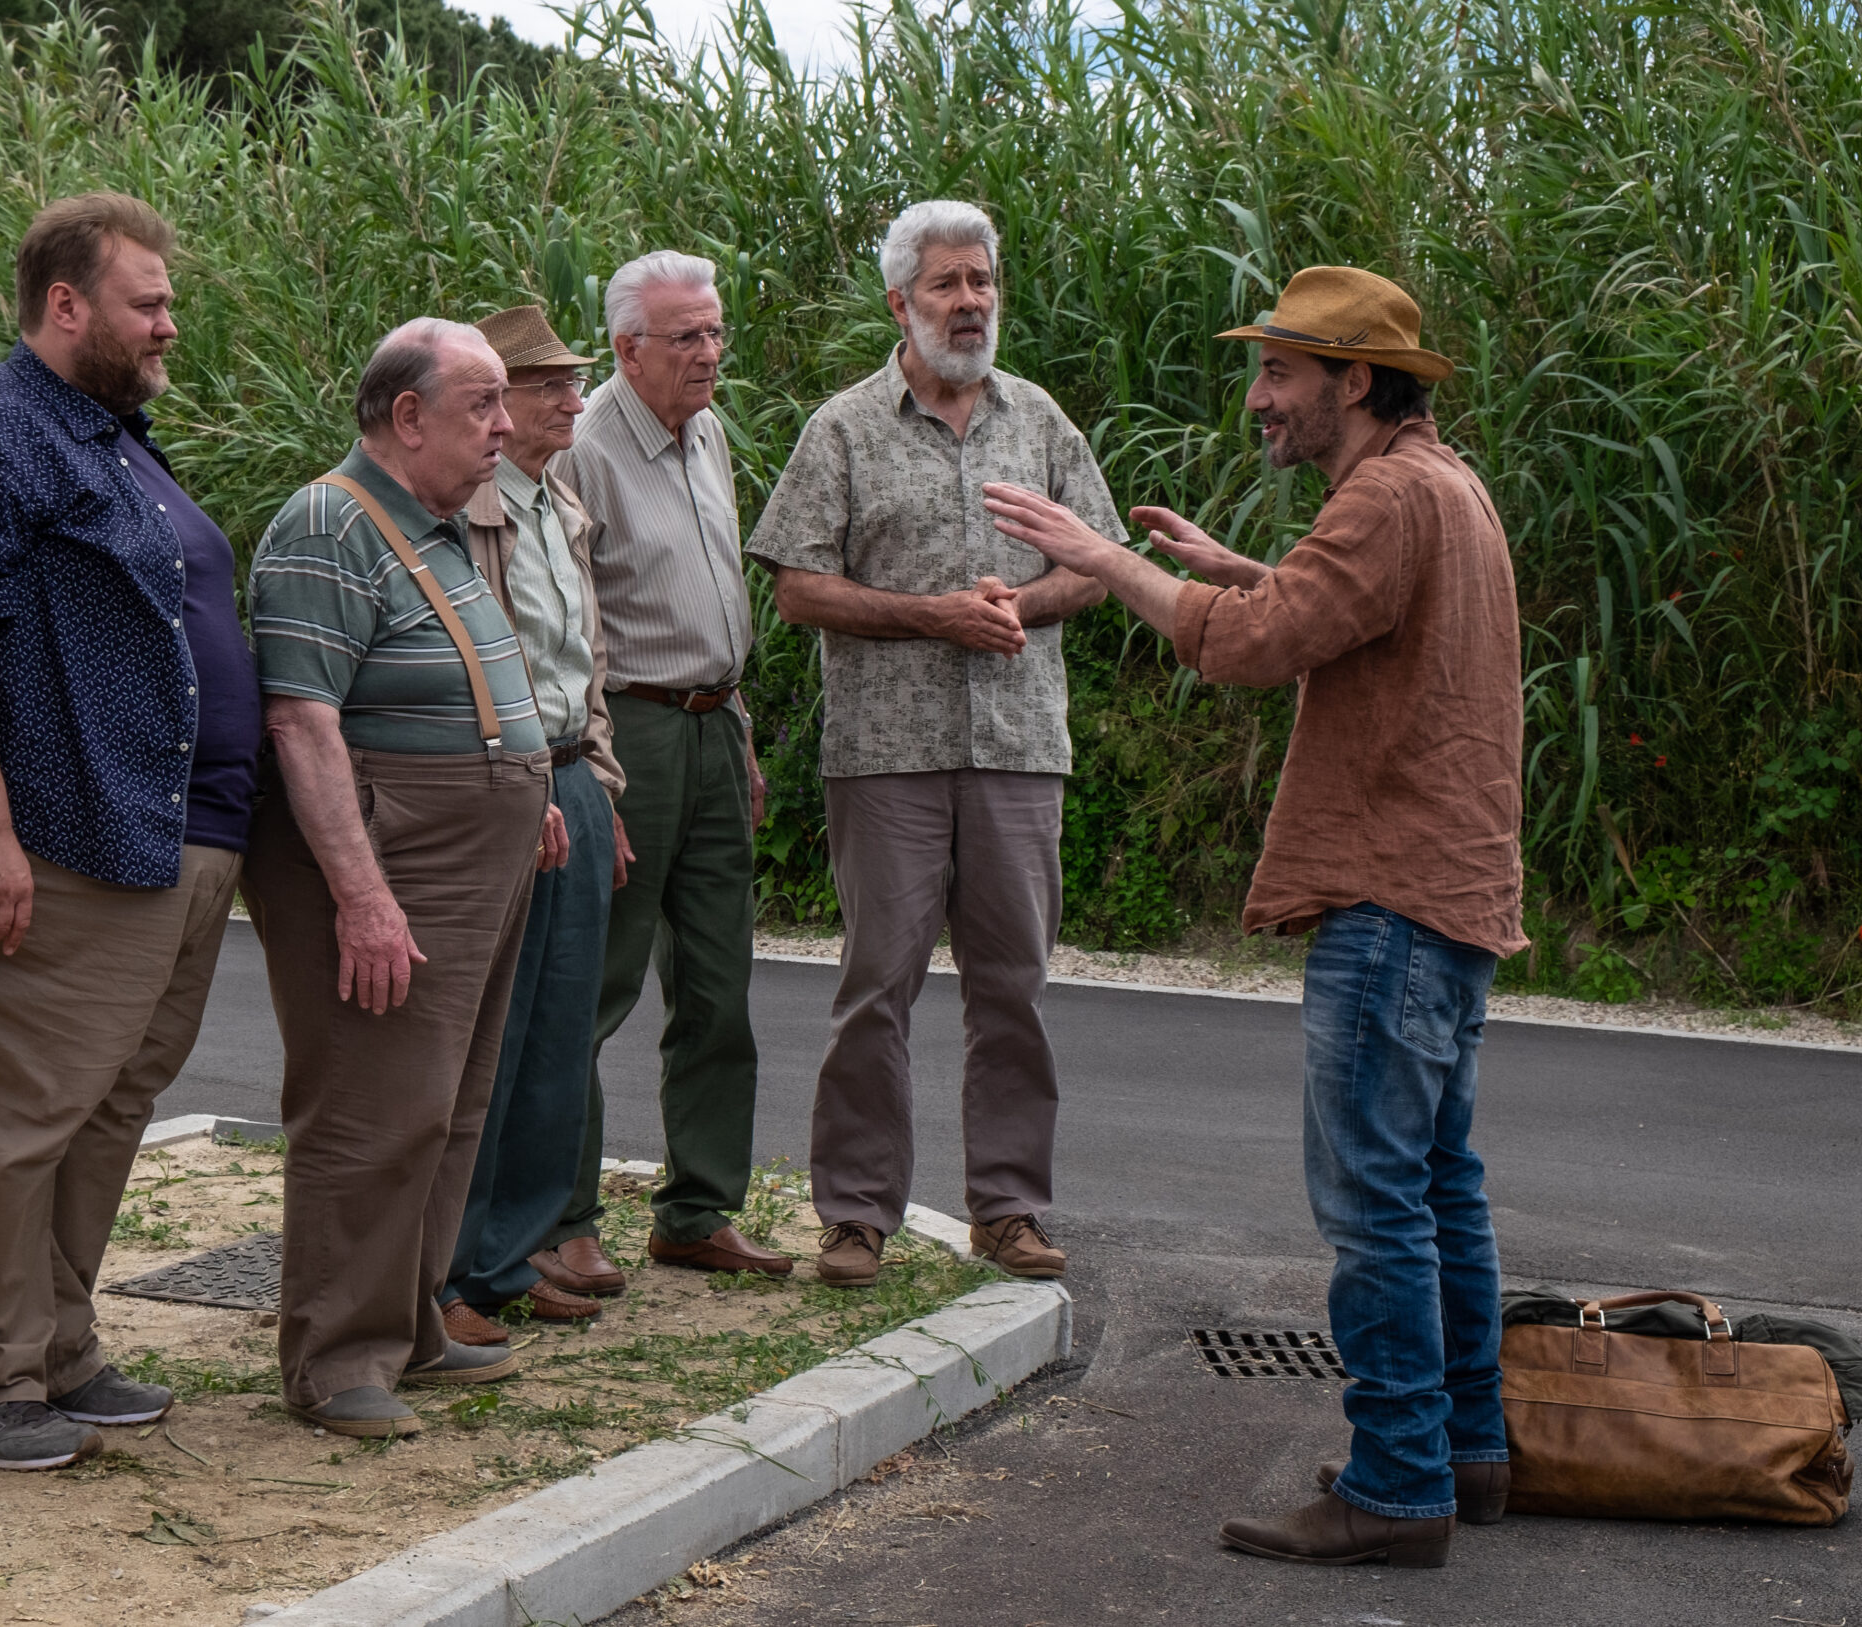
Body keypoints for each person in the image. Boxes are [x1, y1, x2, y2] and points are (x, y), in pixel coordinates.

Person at [982, 265, 1524, 1569]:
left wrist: (1107, 561)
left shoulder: (1389, 495)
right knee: (1438, 1184)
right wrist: (1239, 568)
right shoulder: (1442, 484)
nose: (1257, 397)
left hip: (1390, 899)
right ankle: (1467, 1451)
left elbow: (1249, 645)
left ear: (1352, 380)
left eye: (1280, 373)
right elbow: (1333, 615)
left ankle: (1397, 1485)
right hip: (1450, 897)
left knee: (1375, 1204)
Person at [0, 193, 260, 1471]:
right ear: (66, 305)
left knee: (101, 1108)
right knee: (10, 1109)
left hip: (152, 836)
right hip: (42, 836)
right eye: (148, 302)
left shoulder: (105, 434)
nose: (169, 324)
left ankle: (56, 1346)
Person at [749, 200, 1122, 1288]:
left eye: (983, 281)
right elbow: (796, 587)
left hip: (1016, 748)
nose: (970, 302)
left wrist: (1024, 602)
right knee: (878, 990)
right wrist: (933, 613)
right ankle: (856, 1214)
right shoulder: (844, 428)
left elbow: (1096, 563)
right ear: (898, 302)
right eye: (948, 284)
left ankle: (1007, 1208)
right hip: (885, 756)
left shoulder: (1039, 420)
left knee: (1014, 986)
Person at [243, 318, 554, 1439]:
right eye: (482, 404)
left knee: (446, 1104)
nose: (505, 425)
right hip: (399, 850)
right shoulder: (330, 520)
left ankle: (407, 1322)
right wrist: (362, 896)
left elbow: (461, 677)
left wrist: (529, 789)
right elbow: (302, 720)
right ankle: (335, 1363)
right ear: (406, 415)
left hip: (474, 846)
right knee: (374, 1107)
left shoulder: (435, 525)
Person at [535, 251, 787, 1297]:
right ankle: (564, 1217)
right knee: (593, 985)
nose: (709, 354)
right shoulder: (584, 446)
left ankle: (698, 1211)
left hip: (711, 722)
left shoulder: (708, 430)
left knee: (720, 988)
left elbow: (714, 593)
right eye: (686, 338)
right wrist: (592, 769)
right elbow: (569, 620)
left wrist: (741, 732)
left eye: (716, 332)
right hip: (629, 731)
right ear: (626, 347)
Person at [437, 305, 627, 1347]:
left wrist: (598, 779)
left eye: (572, 380)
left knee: (560, 1033)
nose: (571, 398)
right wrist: (532, 785)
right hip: (511, 787)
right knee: (494, 1040)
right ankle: (458, 1271)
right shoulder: (469, 509)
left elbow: (581, 658)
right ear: (497, 400)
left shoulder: (559, 500)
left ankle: (511, 1259)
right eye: (549, 382)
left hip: (572, 778)